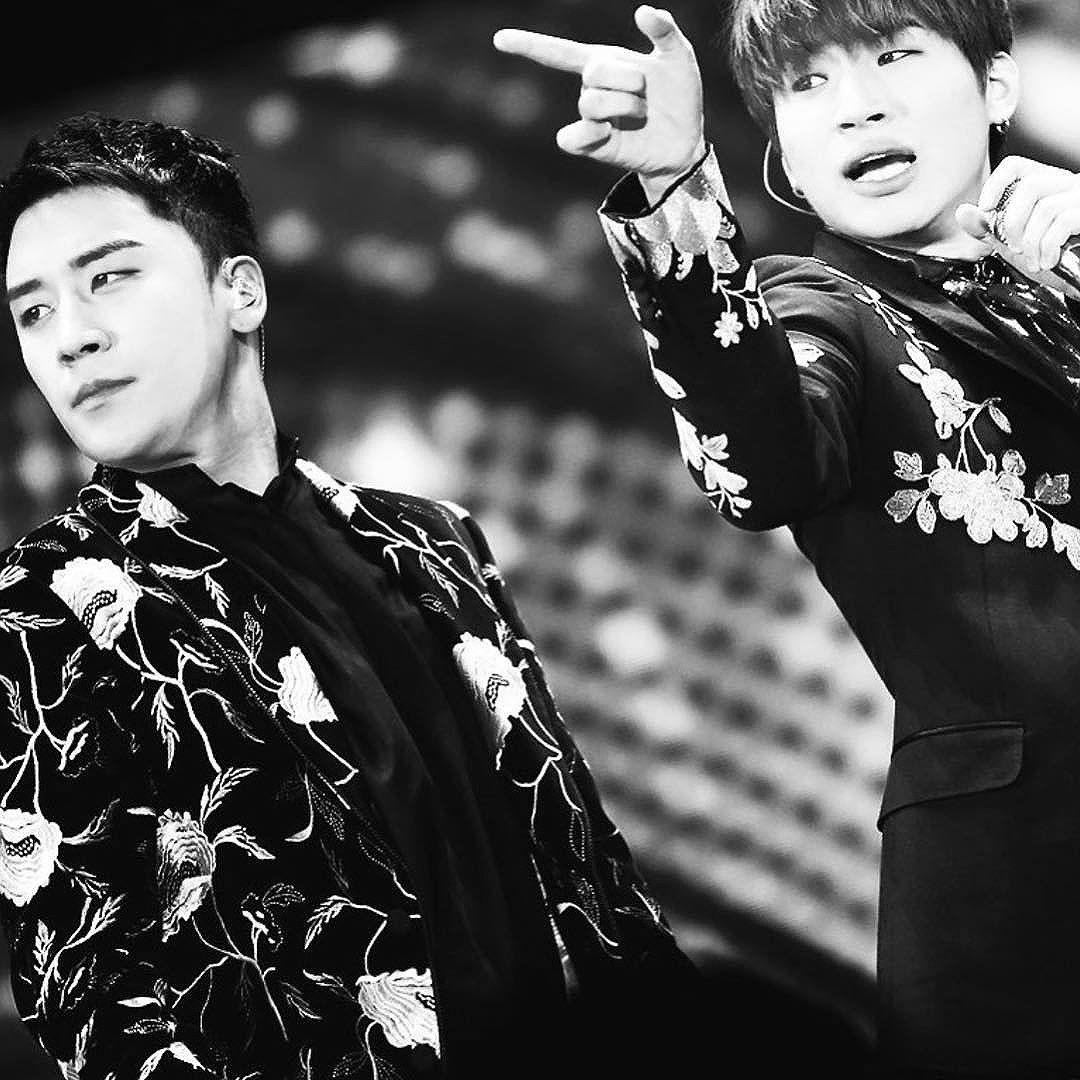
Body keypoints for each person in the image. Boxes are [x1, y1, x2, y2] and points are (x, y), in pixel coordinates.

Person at [0, 114, 700, 1080]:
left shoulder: (438, 543)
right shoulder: (40, 603)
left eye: (109, 277)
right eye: (33, 312)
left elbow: (591, 866)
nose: (72, 337)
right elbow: (87, 992)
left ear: (240, 290)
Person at [496, 1, 1080, 1076]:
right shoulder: (822, 307)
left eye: (894, 56)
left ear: (997, 86)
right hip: (1032, 912)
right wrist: (675, 188)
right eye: (808, 85)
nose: (856, 106)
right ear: (786, 161)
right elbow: (759, 464)